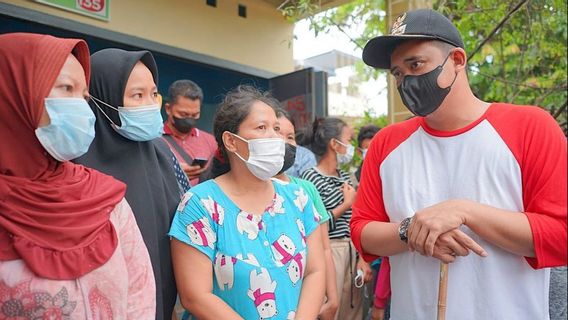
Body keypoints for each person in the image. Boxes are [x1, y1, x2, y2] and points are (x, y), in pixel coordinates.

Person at [352, 8, 567, 319]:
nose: (406, 81)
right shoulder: (386, 144)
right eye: (397, 73)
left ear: (457, 60)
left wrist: (465, 211)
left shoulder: (530, 126)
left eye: (416, 64)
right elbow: (362, 232)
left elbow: (561, 236)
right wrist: (411, 231)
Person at [0, 33, 155, 318]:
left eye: (83, 96)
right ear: (15, 95)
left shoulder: (105, 197)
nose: (82, 109)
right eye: (66, 89)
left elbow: (140, 293)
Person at [169, 85, 325, 319]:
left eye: (276, 128)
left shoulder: (298, 199)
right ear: (231, 142)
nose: (275, 137)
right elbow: (195, 295)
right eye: (262, 128)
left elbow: (315, 270)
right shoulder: (200, 204)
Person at [73, 48, 181, 320]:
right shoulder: (73, 158)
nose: (148, 104)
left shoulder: (161, 153)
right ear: (101, 96)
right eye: (137, 95)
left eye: (153, 94)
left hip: (162, 299)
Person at [301, 117, 372, 320]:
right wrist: (346, 204)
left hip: (352, 249)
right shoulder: (310, 178)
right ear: (334, 144)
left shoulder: (347, 177)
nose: (351, 147)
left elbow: (356, 219)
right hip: (328, 250)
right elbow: (314, 227)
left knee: (354, 311)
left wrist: (362, 257)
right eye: (348, 140)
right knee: (329, 310)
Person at [273, 108, 339, 319]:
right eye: (276, 133)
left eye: (290, 137)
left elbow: (324, 248)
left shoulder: (306, 189)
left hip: (305, 296)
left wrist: (333, 296)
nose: (284, 142)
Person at [163, 80, 217, 186]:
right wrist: (170, 172)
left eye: (194, 115)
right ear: (168, 109)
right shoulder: (153, 139)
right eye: (183, 114)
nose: (189, 120)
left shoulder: (211, 141)